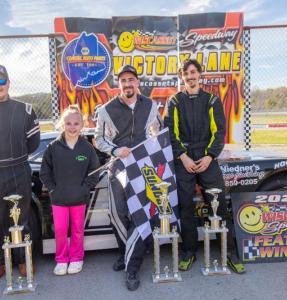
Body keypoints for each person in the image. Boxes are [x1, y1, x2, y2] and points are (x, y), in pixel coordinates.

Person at [164, 59, 245, 273]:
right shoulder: (174, 101)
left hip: (207, 158)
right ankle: (189, 252)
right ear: (182, 77)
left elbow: (219, 132)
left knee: (217, 203)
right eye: (186, 74)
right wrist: (183, 157)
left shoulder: (211, 100)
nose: (190, 77)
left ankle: (229, 253)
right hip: (184, 160)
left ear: (199, 74)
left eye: (193, 72)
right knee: (185, 207)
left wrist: (209, 156)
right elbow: (170, 134)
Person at [95, 65, 162, 291]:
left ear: (138, 82)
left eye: (131, 79)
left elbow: (158, 133)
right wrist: (115, 151)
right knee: (118, 214)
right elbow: (99, 140)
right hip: (118, 168)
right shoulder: (106, 110)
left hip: (142, 168)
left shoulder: (151, 106)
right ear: (118, 84)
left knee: (140, 215)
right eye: (123, 80)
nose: (127, 84)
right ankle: (128, 253)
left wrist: (151, 151)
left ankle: (131, 267)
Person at [40, 105, 100, 276]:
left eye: (75, 123)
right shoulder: (53, 147)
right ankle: (61, 259)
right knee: (59, 230)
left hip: (79, 198)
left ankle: (76, 258)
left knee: (77, 230)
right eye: (68, 123)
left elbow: (95, 171)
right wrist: (53, 190)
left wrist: (84, 189)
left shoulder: (87, 148)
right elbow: (45, 172)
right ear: (62, 124)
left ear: (81, 125)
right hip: (59, 198)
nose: (72, 127)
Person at [0, 65, 40, 278]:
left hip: (18, 169)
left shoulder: (25, 109)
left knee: (20, 218)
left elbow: (33, 143)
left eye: (1, 81)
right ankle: (1, 262)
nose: (0, 86)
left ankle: (23, 260)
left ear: (8, 82)